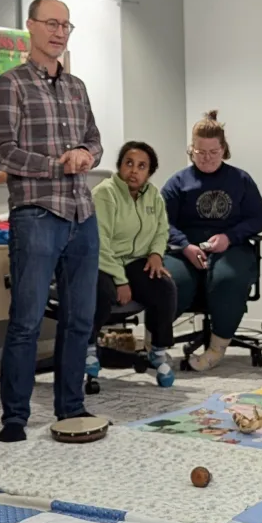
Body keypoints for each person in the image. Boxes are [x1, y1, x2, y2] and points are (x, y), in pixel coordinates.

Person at [0, 0, 101, 442]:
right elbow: (2, 152)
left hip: (82, 213)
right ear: (30, 27)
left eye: (66, 25)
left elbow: (95, 140)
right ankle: (14, 418)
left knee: (79, 321)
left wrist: (86, 154)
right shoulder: (9, 85)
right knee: (27, 321)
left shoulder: (76, 87)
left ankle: (70, 408)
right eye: (51, 23)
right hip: (37, 213)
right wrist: (59, 163)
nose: (59, 32)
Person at [162, 111, 262, 372]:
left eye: (213, 151)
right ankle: (157, 345)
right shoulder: (177, 182)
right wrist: (185, 245)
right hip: (184, 250)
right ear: (191, 150)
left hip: (231, 248)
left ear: (224, 150)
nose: (207, 158)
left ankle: (216, 348)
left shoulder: (241, 180)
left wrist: (229, 237)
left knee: (226, 279)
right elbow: (162, 222)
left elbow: (258, 218)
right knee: (169, 281)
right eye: (200, 152)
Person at [89, 141, 178, 387]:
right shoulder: (105, 193)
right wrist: (121, 280)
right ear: (120, 166)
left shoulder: (154, 196)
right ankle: (87, 347)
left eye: (141, 166)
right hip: (102, 261)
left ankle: (157, 351)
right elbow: (100, 242)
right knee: (102, 291)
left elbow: (162, 230)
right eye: (129, 163)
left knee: (164, 286)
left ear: (149, 172)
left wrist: (156, 255)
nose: (134, 171)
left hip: (135, 261)